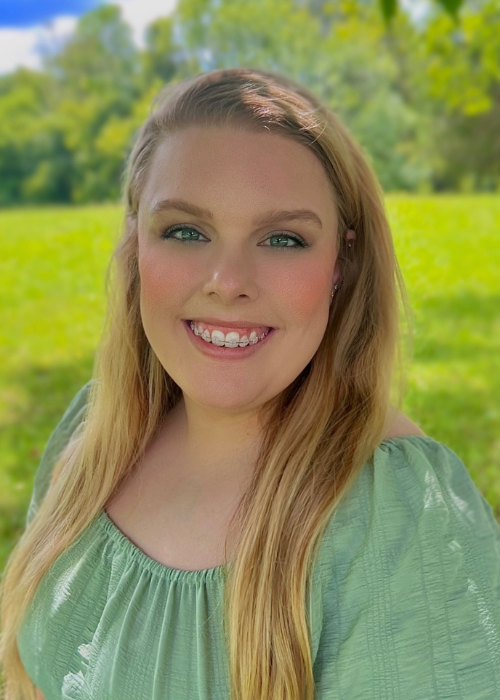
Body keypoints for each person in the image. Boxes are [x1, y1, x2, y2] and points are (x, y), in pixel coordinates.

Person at [1, 67, 499, 700]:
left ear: (340, 261)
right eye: (185, 231)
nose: (227, 279)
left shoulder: (396, 520)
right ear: (135, 245)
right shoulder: (93, 434)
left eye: (283, 238)